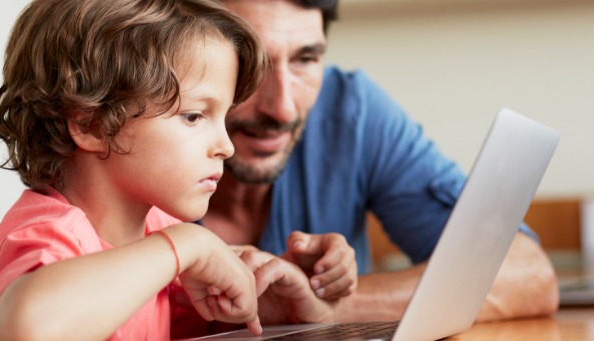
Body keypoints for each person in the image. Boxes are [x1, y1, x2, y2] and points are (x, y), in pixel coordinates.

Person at [0, 0, 354, 339]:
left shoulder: (153, 233)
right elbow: (32, 326)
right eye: (194, 116)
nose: (225, 146)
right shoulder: (49, 234)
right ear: (90, 124)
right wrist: (186, 247)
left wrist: (267, 306)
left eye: (224, 117)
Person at [203, 0, 559, 323]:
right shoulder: (148, 136)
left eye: (305, 59)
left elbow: (526, 273)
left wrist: (329, 305)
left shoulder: (351, 113)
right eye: (247, 61)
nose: (282, 107)